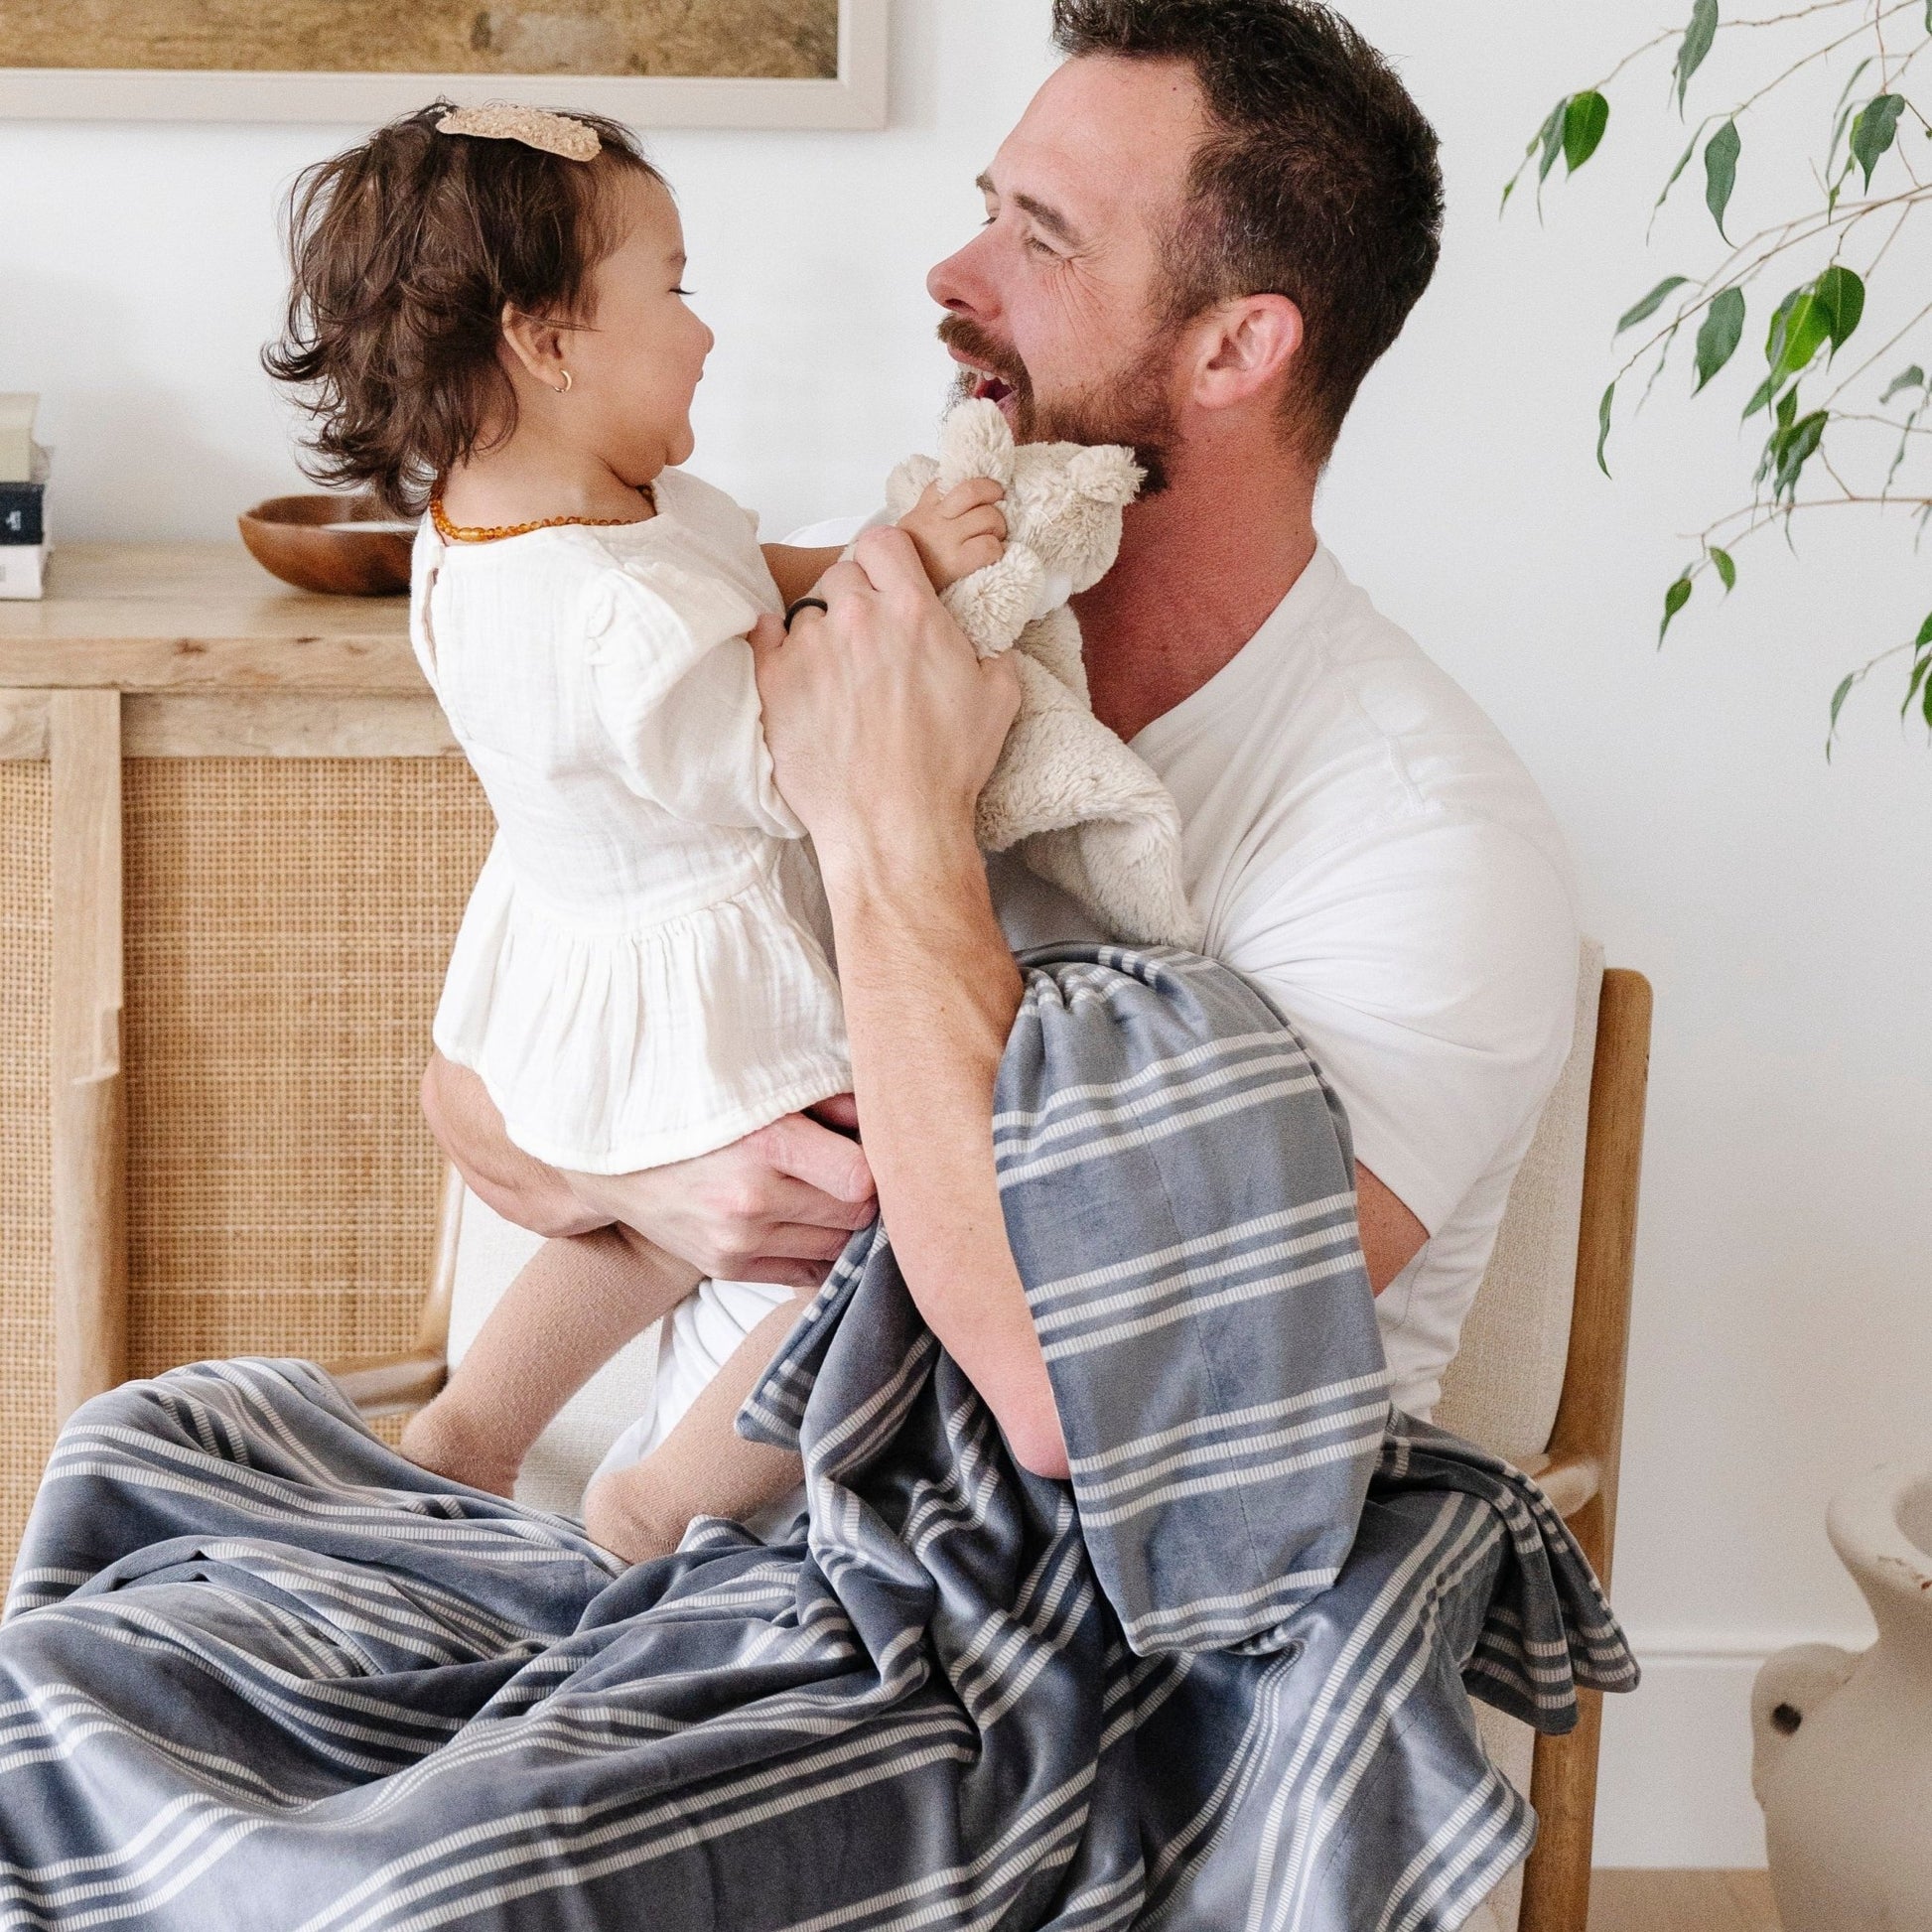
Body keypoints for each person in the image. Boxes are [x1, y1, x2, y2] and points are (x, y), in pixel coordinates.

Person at [424, 0, 1581, 1495]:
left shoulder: (1422, 844)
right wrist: (663, 1183)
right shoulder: (905, 611)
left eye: (1039, 238)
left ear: (1235, 345)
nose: (951, 275)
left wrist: (890, 825)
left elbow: (1079, 1393)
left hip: (982, 1665)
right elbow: (483, 1081)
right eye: (985, 209)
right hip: (572, 1547)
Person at [263, 100, 1009, 1554]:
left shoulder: (517, 528)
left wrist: (846, 552)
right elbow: (794, 743)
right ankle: (662, 1497)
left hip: (573, 953)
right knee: (866, 1239)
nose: (706, 332)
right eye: (671, 289)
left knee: (629, 1226)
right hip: (706, 964)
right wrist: (901, 576)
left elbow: (739, 567)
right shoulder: (617, 615)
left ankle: (470, 1428)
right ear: (546, 340)